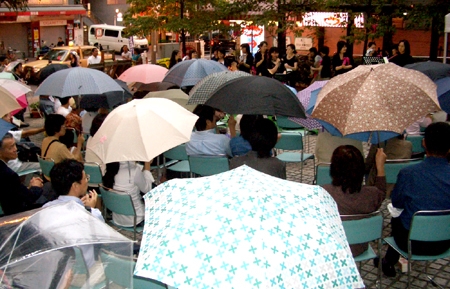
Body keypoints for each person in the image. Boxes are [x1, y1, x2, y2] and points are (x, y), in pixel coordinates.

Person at [378, 122, 450, 277]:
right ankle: (388, 260)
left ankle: (389, 260)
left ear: (424, 143)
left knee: (398, 217)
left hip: (411, 242)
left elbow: (396, 202)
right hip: (445, 242)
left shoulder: (409, 173)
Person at [44, 159, 105, 286]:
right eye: (85, 178)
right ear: (75, 186)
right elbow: (105, 240)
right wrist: (92, 209)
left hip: (55, 272)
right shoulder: (91, 214)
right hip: (83, 274)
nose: (87, 181)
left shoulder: (45, 209)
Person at [322, 145, 387, 257]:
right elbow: (381, 191)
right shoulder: (370, 195)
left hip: (331, 247)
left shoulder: (323, 193)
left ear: (333, 168)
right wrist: (380, 167)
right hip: (359, 247)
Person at [0, 133, 44, 215]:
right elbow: (28, 198)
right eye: (11, 147)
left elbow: (15, 191)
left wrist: (27, 188)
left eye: (15, 145)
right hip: (14, 214)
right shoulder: (9, 175)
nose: (15, 149)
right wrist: (35, 186)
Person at [102, 160, 153, 227]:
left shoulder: (110, 168)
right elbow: (147, 189)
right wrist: (147, 167)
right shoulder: (134, 170)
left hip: (117, 218)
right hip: (137, 219)